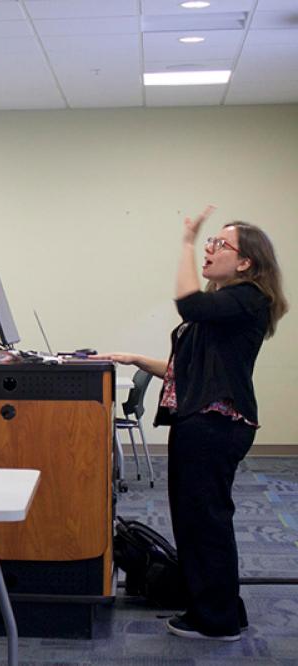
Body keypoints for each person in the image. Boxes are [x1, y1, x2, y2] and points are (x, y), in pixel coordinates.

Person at [97, 208, 287, 642]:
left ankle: (216, 621)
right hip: (201, 422)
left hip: (214, 425)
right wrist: (134, 359)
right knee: (198, 519)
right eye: (208, 242)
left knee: (205, 521)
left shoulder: (247, 298)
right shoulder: (227, 308)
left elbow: (188, 302)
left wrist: (185, 241)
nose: (208, 249)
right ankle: (221, 607)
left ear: (246, 262)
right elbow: (189, 369)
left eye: (221, 244)